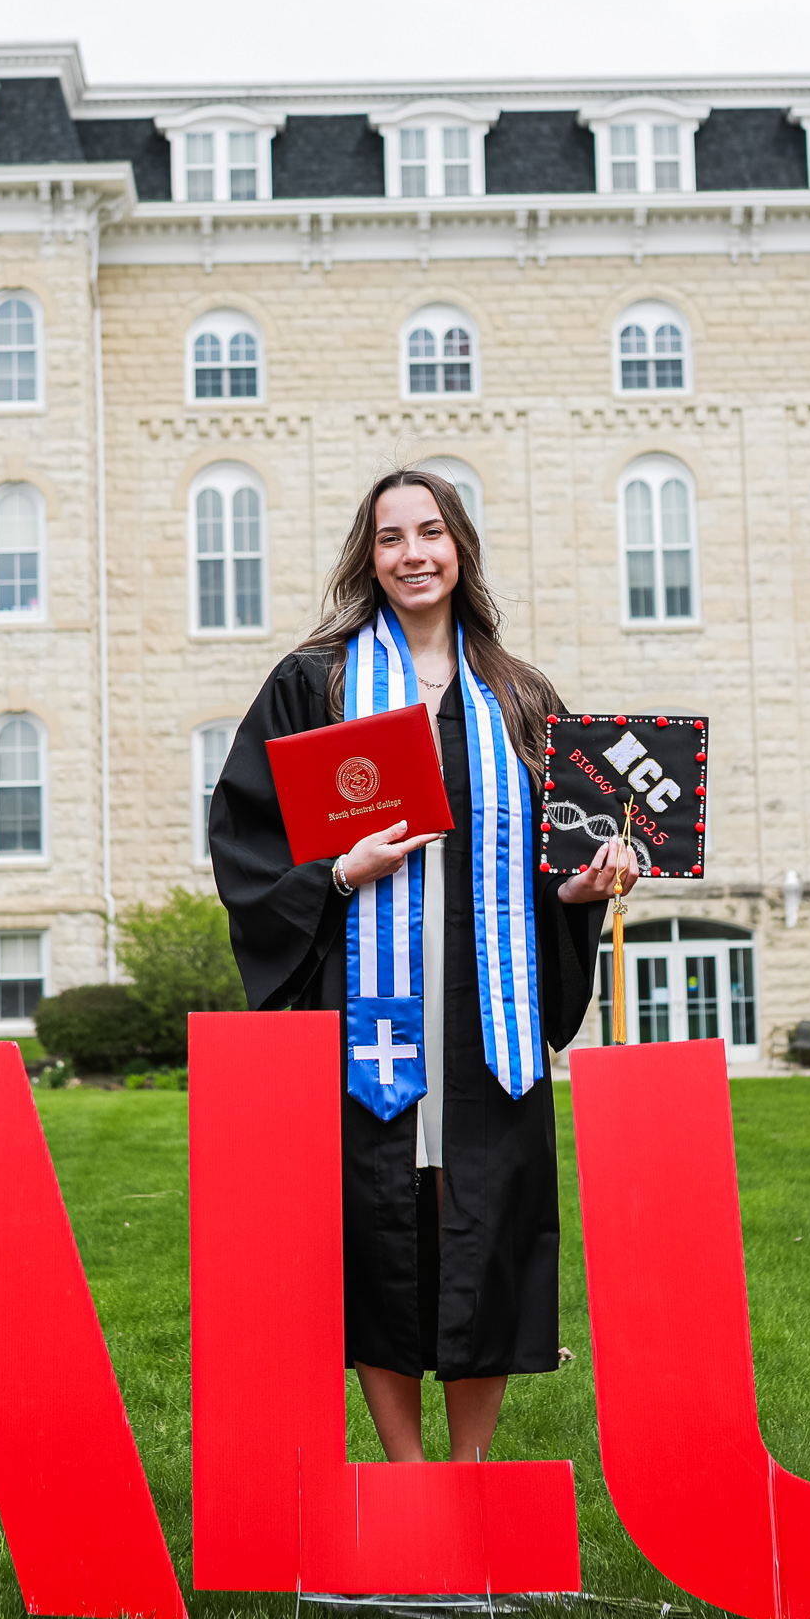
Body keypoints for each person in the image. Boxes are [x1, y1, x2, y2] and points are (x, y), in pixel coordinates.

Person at [207, 466, 638, 1466]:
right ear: (369, 557)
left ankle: (471, 1469)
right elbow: (246, 835)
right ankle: (406, 1471)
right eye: (391, 536)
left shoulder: (519, 696)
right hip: (371, 1008)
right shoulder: (317, 683)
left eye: (431, 532)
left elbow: (558, 857)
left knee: (484, 1220)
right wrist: (339, 872)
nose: (413, 554)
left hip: (489, 1007)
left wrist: (583, 889)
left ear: (460, 548)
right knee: (379, 1229)